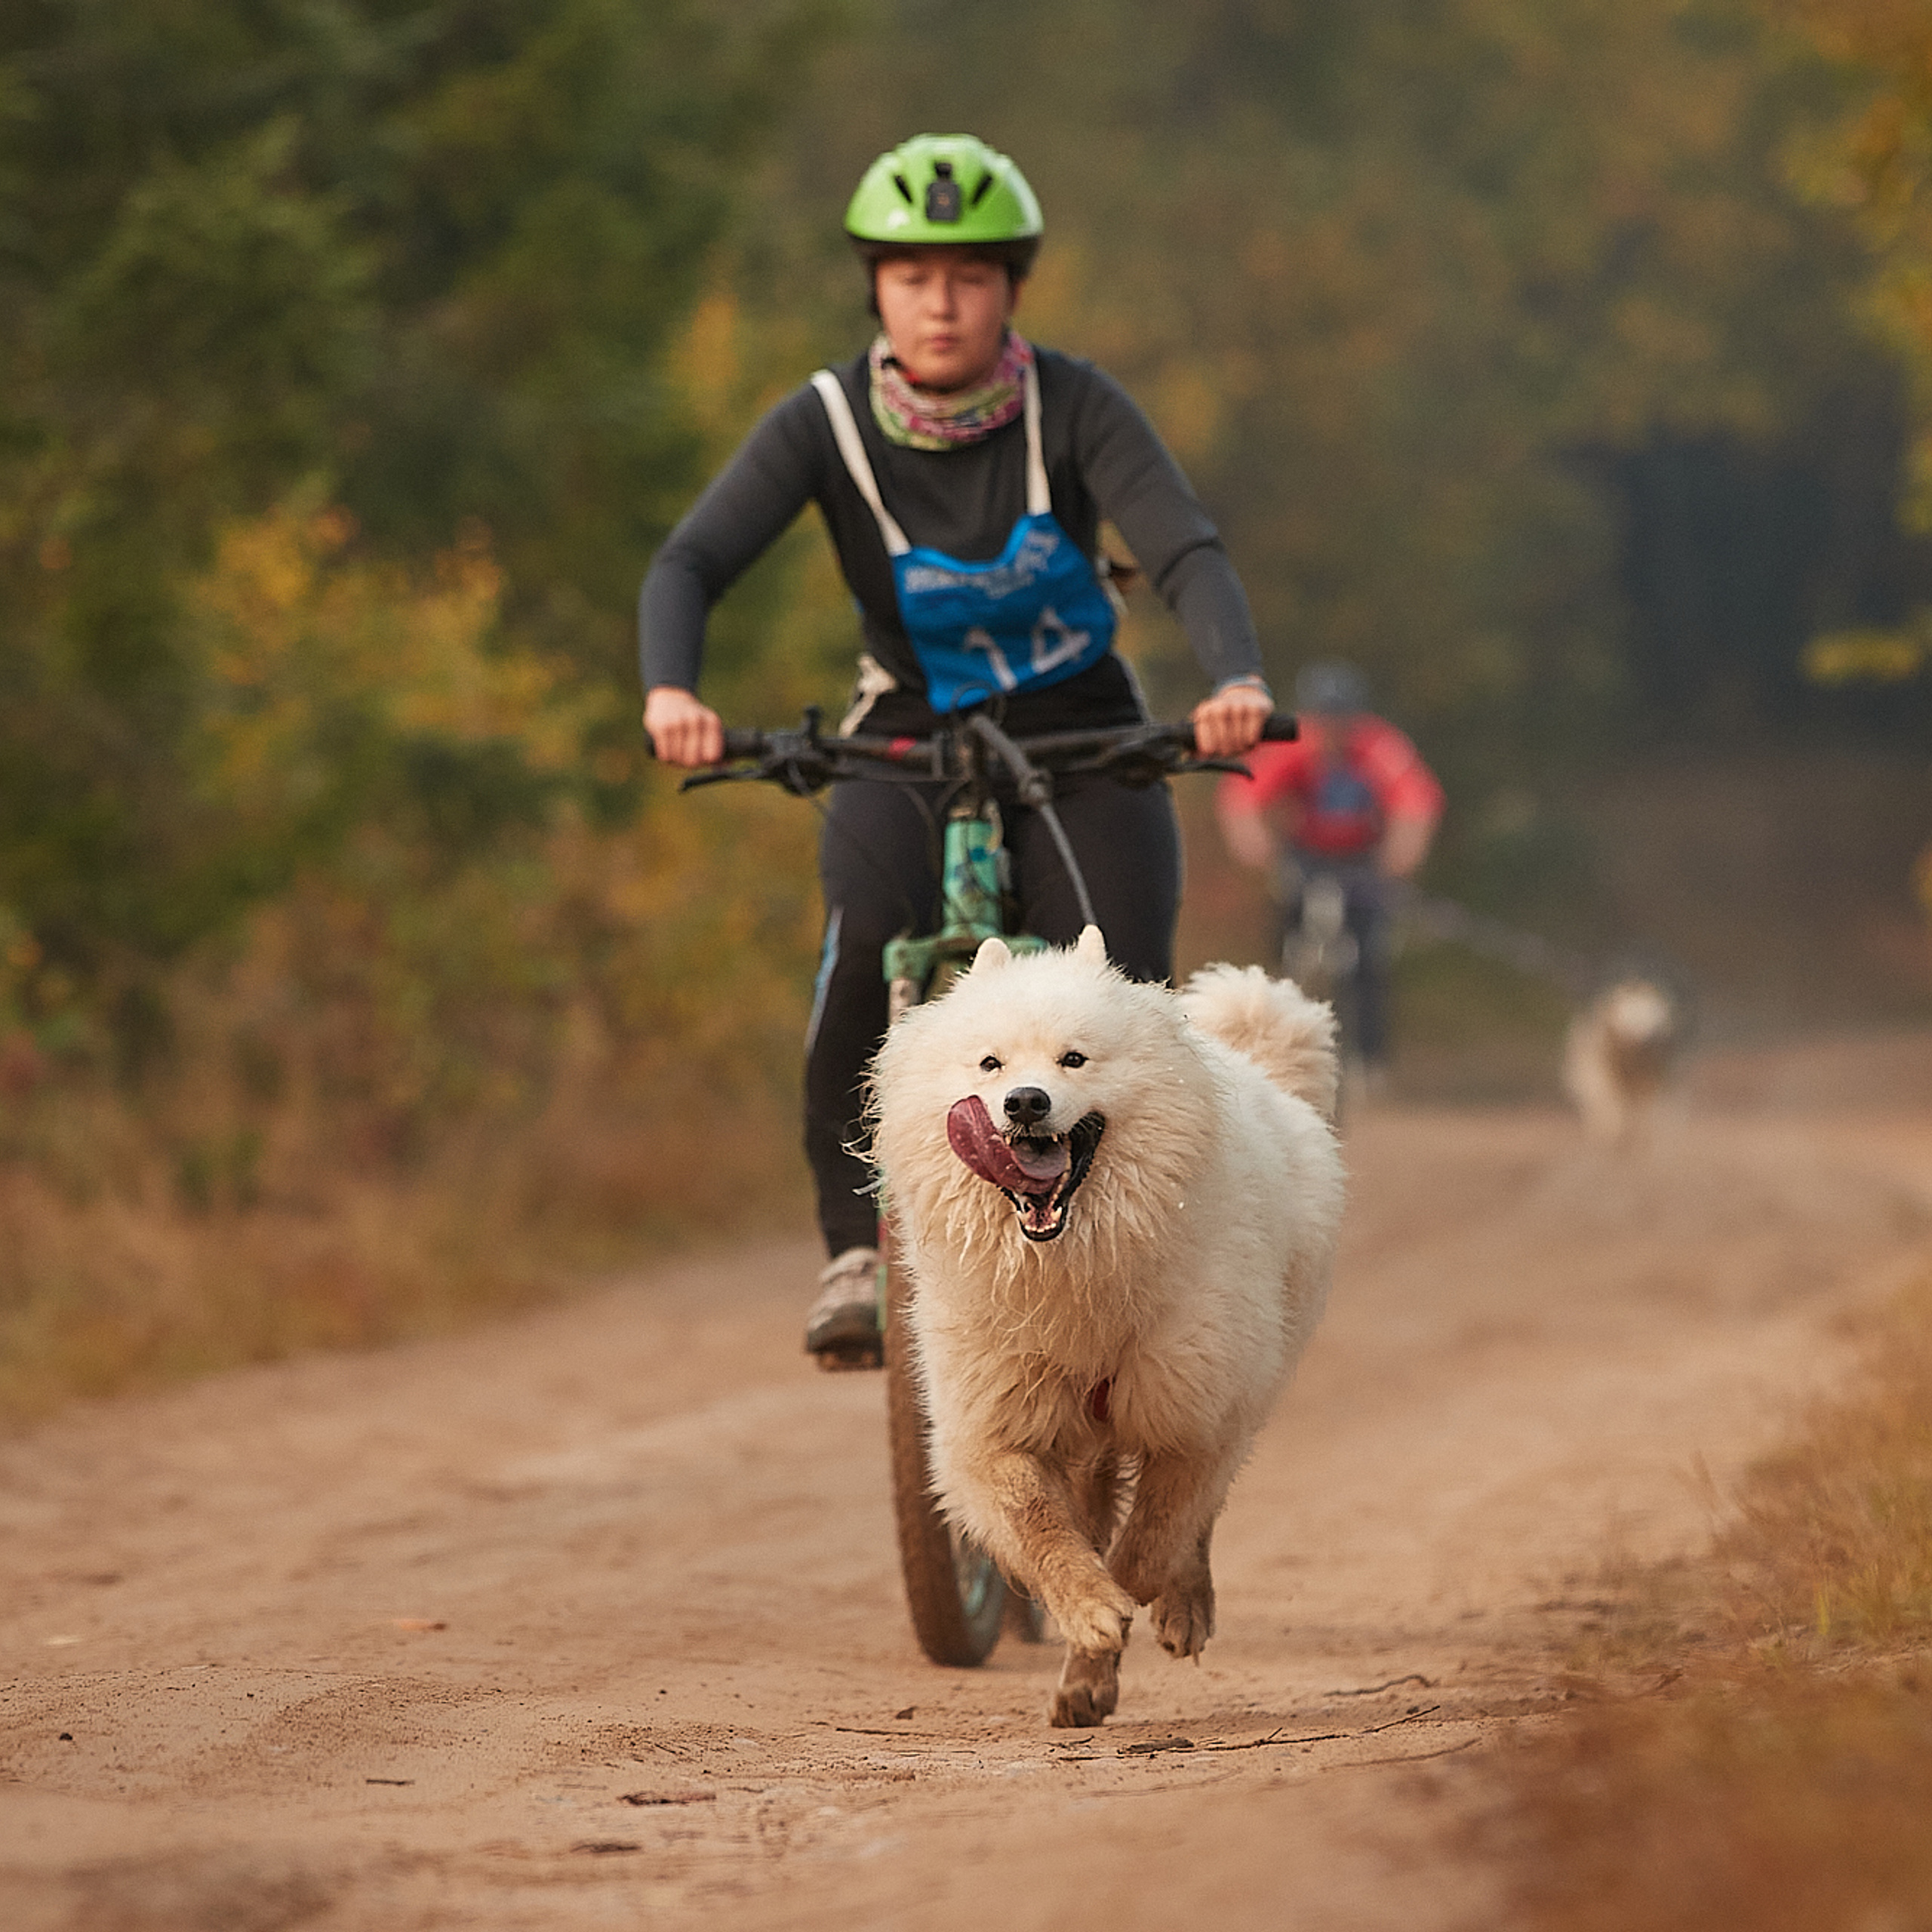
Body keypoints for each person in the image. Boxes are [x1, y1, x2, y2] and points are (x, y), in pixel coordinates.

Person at [641, 134, 1275, 1366]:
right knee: (861, 959)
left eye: (972, 276)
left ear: (1011, 293)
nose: (942, 302)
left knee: (1124, 991)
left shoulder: (1076, 407)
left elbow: (1183, 546)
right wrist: (675, 690)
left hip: (1084, 734)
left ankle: (1135, 1254)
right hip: (906, 738)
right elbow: (691, 561)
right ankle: (855, 1250)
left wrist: (1236, 678)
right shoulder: (824, 421)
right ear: (876, 289)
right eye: (914, 276)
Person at [1215, 660, 1443, 1080]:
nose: (1333, 730)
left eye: (1342, 719)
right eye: (1324, 718)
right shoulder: (1292, 741)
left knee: (1369, 955)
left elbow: (1416, 804)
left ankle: (1371, 1061)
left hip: (1363, 862)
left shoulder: (1380, 746)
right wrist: (1255, 844)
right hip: (1305, 858)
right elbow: (1242, 797)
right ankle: (1277, 1043)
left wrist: (1402, 855)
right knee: (1286, 945)